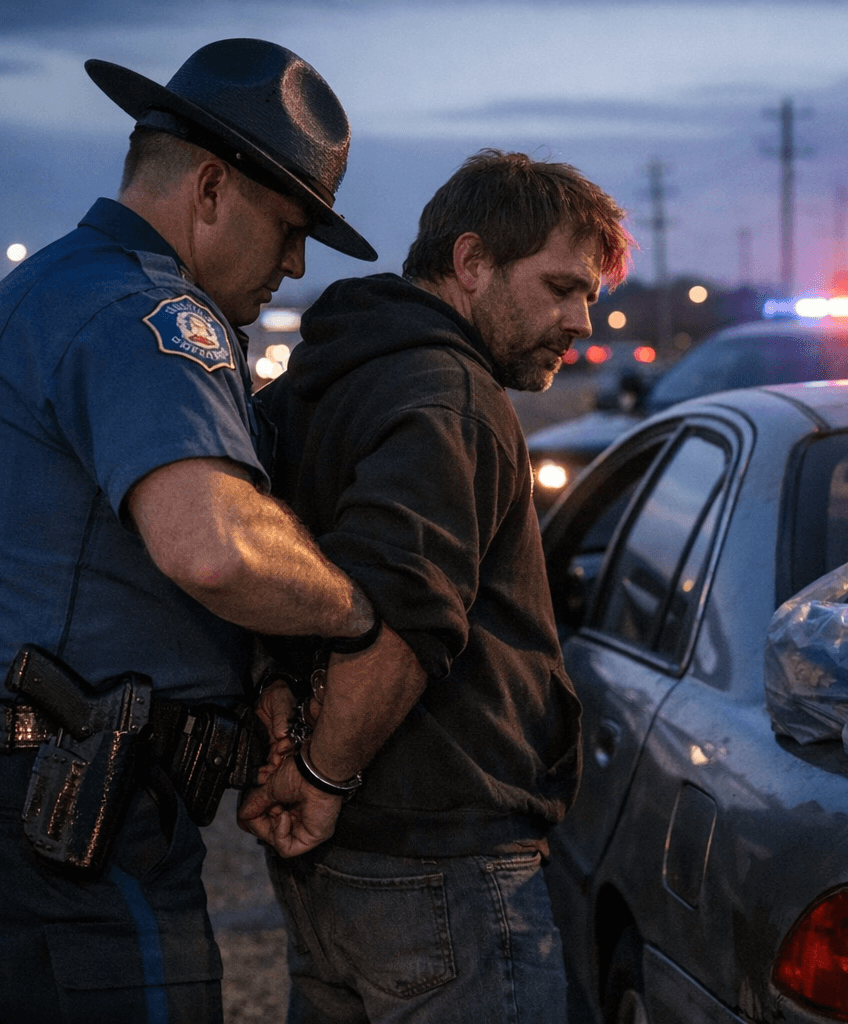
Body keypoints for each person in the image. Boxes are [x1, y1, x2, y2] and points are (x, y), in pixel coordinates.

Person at [0, 39, 386, 1022]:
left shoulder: (44, 289)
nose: (296, 263)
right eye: (290, 227)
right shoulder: (146, 312)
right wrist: (359, 615)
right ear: (212, 188)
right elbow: (216, 547)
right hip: (50, 819)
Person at [238, 149, 631, 1023]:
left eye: (589, 298)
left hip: (336, 873)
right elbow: (401, 619)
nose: (580, 321)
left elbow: (276, 579)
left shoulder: (325, 378)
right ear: (472, 261)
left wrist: (297, 743)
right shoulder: (450, 396)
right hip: (439, 862)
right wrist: (323, 779)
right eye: (561, 288)